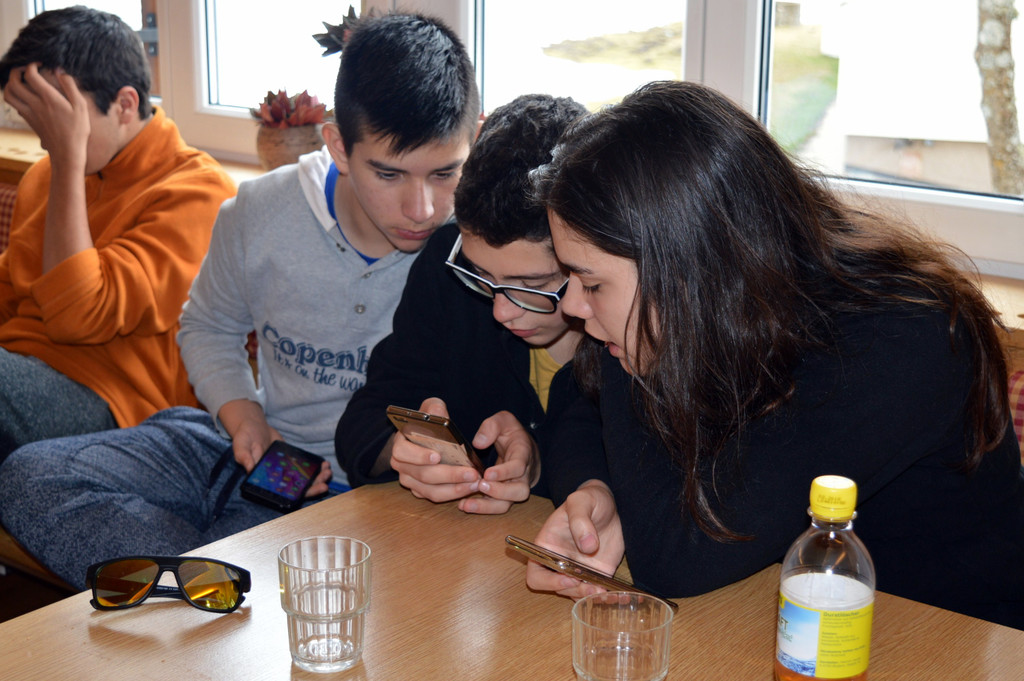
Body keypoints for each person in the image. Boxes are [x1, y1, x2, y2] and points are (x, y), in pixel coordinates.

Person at [0, 11, 479, 589]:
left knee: (276, 564)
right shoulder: (259, 210)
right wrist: (241, 414)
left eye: (445, 174)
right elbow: (207, 327)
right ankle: (214, 587)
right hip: (250, 449)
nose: (422, 209)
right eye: (390, 174)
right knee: (29, 477)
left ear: (473, 140)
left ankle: (213, 589)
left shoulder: (480, 244)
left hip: (366, 496)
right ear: (338, 146)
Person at [526, 80, 1024, 629]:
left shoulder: (900, 339)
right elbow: (578, 396)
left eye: (592, 284)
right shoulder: (726, 305)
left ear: (688, 270)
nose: (571, 305)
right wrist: (595, 488)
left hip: (937, 640)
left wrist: (628, 343)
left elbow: (676, 557)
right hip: (778, 617)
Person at [336, 93, 594, 514]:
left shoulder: (627, 332)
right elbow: (364, 419)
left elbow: (633, 483)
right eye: (482, 275)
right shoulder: (447, 265)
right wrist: (404, 450)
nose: (501, 311)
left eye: (532, 284)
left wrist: (539, 468)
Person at [0, 6, 237, 462]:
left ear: (125, 104)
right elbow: (8, 296)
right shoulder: (44, 177)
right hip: (19, 368)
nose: (47, 139)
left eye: (59, 116)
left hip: (116, 403)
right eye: (35, 117)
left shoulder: (199, 193)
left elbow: (78, 316)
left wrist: (66, 161)